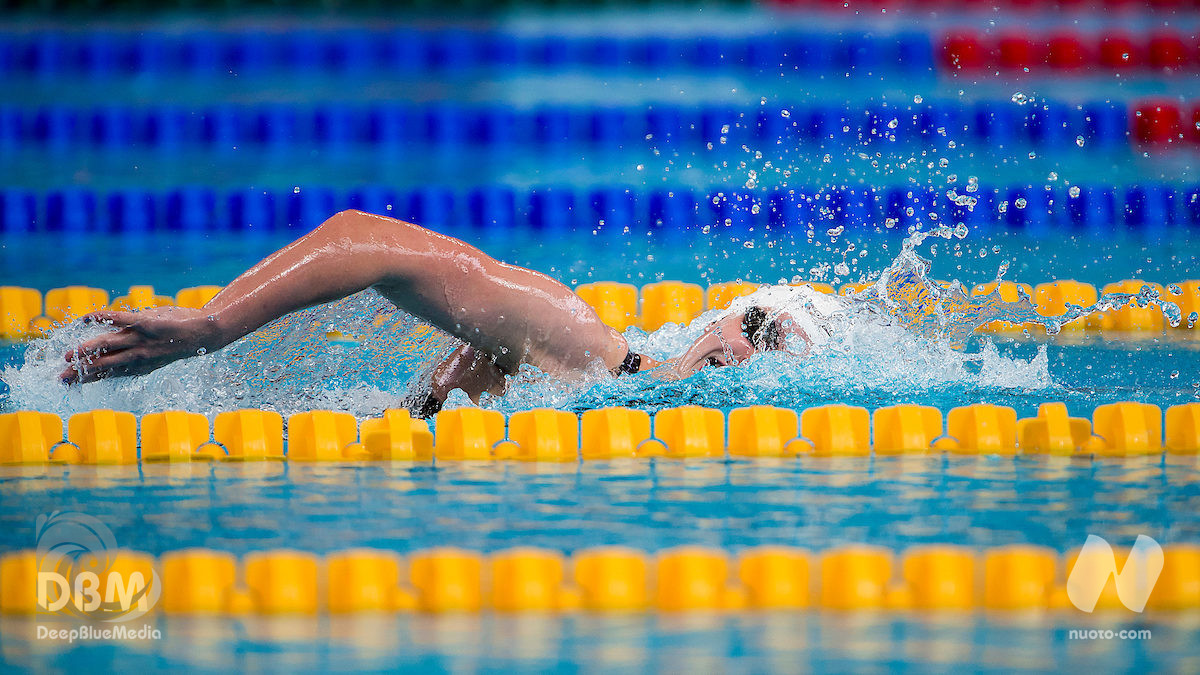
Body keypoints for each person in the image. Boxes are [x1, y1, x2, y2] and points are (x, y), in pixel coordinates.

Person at [60, 210, 817, 415]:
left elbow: (427, 412)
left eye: (774, 348)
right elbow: (365, 237)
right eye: (755, 324)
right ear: (716, 322)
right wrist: (213, 325)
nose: (748, 351)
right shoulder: (588, 345)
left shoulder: (599, 390)